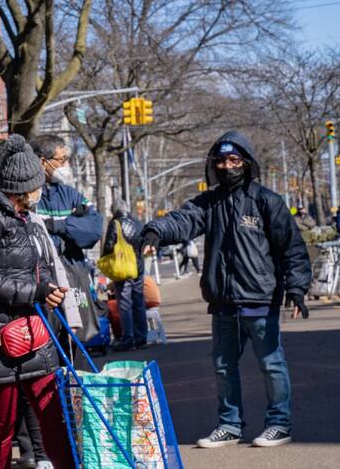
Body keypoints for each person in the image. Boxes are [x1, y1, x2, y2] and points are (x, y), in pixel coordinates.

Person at [141, 132, 311, 449]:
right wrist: (155, 232)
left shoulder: (267, 201)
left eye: (234, 160)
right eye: (220, 161)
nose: (227, 166)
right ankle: (230, 424)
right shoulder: (209, 203)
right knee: (223, 367)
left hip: (260, 300)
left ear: (246, 162)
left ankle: (279, 423)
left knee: (271, 365)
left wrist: (297, 288)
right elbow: (181, 220)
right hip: (223, 303)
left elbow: (292, 248)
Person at [0, 135, 74, 469]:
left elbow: (30, 265)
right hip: (0, 338)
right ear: (23, 189)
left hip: (33, 332)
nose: (43, 190)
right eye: (38, 185)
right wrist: (34, 291)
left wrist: (45, 288)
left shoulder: (22, 216)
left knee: (54, 417)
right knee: (1, 425)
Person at [30, 135, 103, 264]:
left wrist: (57, 226)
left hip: (74, 271)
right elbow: (33, 242)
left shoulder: (70, 193)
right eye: (62, 160)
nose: (66, 165)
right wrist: (72, 236)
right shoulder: (29, 196)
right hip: (43, 272)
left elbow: (95, 229)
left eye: (66, 159)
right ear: (43, 162)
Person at [102, 199, 148, 351]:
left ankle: (128, 338)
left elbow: (109, 246)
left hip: (123, 269)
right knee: (139, 302)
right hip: (138, 267)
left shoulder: (115, 224)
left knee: (125, 304)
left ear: (114, 210)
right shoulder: (137, 223)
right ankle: (141, 338)